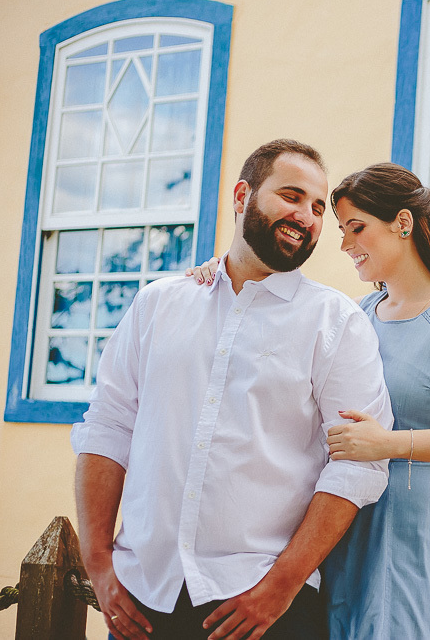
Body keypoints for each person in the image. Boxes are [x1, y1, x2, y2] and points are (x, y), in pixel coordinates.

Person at [72, 139, 394, 640]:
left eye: (316, 207)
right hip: (143, 598)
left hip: (263, 607)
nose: (306, 215)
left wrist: (282, 586)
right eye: (291, 196)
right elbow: (108, 428)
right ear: (243, 195)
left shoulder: (336, 322)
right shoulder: (157, 304)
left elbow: (357, 465)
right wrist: (98, 563)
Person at [188, 162, 430, 639]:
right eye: (342, 230)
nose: (345, 245)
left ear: (403, 223)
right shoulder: (356, 314)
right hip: (335, 522)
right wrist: (220, 274)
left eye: (357, 229)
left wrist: (389, 444)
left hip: (407, 524)